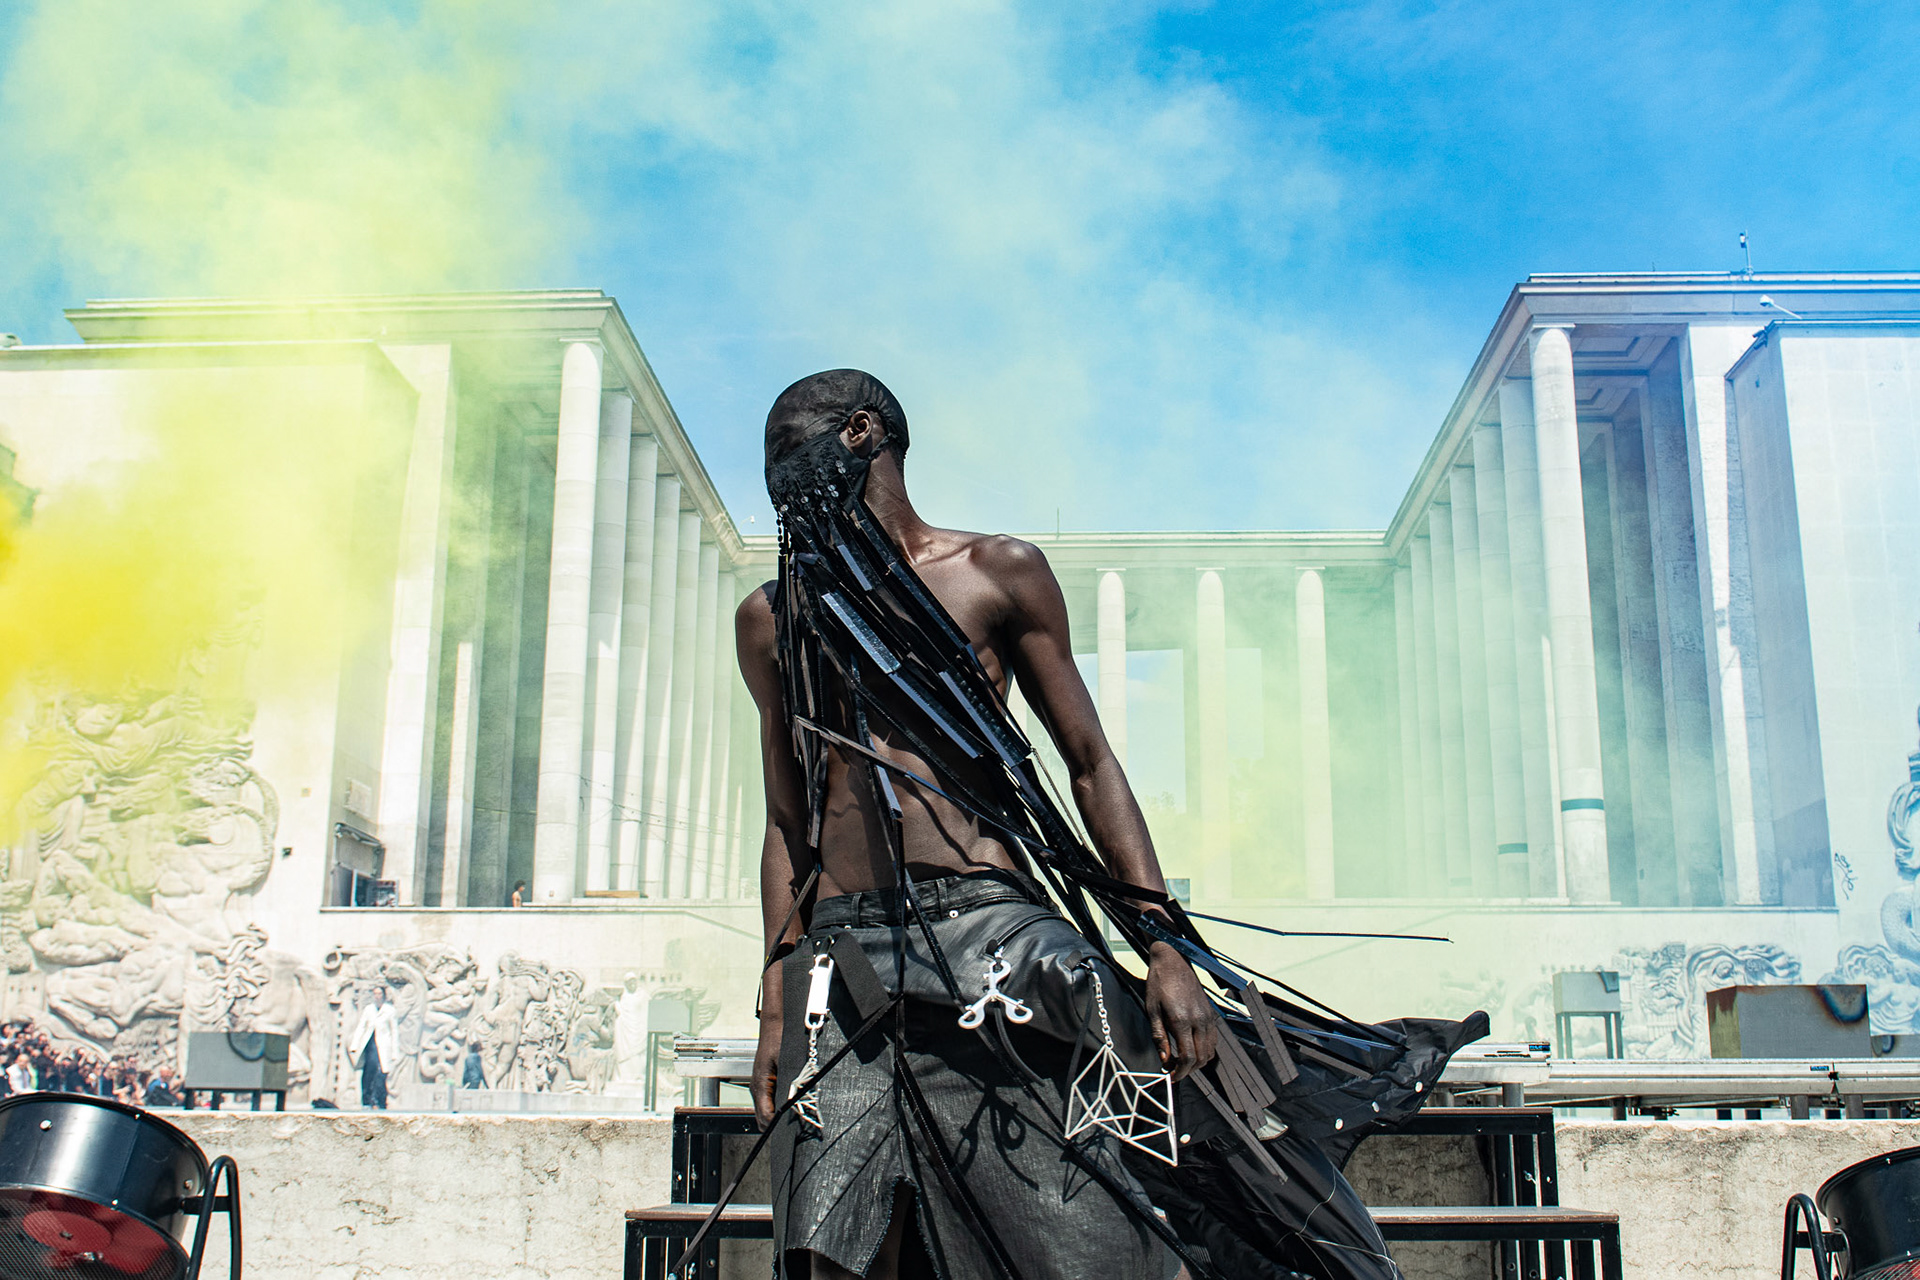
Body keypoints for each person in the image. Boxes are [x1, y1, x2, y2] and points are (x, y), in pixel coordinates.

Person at [740, 371, 1220, 1280]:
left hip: (991, 936)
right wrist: (774, 993)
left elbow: (1090, 762)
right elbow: (786, 816)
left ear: (860, 432)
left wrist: (1163, 947)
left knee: (1066, 1242)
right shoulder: (772, 618)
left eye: (785, 457)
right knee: (827, 1253)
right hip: (843, 958)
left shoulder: (997, 571)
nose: (774, 486)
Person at [348, 985, 399, 1110]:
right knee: (368, 1072)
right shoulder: (369, 1009)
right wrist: (355, 1044)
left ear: (384, 995)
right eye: (375, 994)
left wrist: (394, 1052)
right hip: (370, 1044)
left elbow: (394, 1031)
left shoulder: (389, 1010)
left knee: (381, 1074)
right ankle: (366, 1100)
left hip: (383, 1045)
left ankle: (380, 1101)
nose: (377, 996)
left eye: (379, 994)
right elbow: (361, 1026)